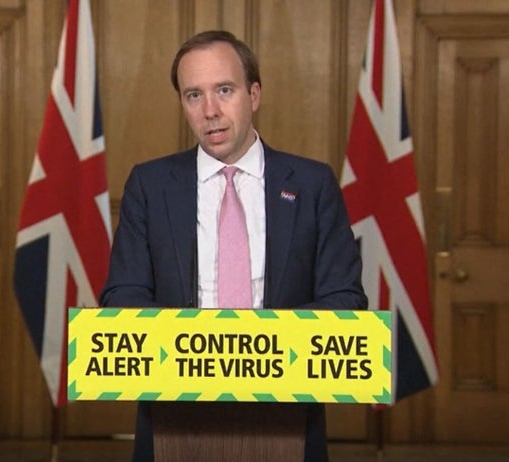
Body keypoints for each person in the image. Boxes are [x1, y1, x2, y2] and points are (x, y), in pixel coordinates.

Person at [100, 30, 367, 462]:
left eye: (224, 90)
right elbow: (123, 297)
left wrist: (264, 354)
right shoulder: (150, 186)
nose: (210, 111)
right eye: (193, 95)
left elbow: (344, 301)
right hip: (175, 419)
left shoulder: (313, 185)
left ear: (254, 94)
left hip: (287, 416)